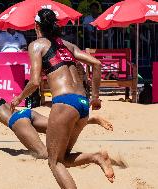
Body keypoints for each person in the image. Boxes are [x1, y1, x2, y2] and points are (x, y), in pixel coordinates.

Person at [10, 9, 114, 188]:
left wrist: (18, 97)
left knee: (54, 163)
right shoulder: (68, 45)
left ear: (36, 26)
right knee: (62, 159)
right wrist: (95, 97)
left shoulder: (37, 45)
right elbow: (97, 64)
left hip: (65, 102)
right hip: (82, 104)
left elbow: (35, 81)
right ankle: (96, 157)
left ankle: (97, 157)